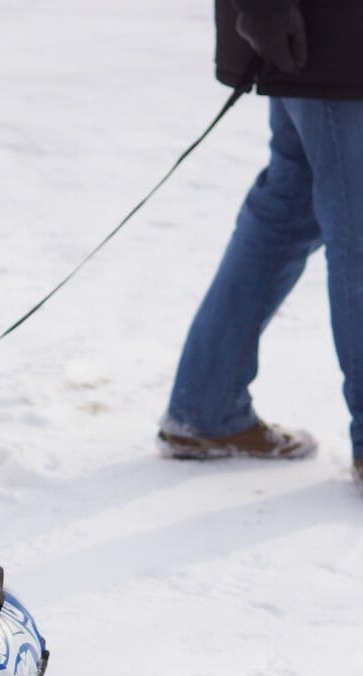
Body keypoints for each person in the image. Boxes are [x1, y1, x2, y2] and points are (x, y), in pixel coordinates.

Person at [158, 0, 363, 490]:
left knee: (291, 207)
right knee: (352, 225)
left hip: (322, 37)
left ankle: (206, 406)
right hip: (332, 37)